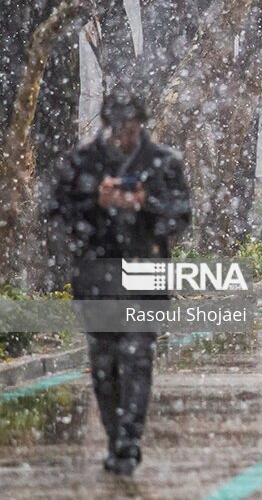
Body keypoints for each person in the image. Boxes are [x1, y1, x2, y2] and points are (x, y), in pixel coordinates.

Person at [51, 91, 192, 477]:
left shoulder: (163, 163)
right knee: (104, 365)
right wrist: (95, 202)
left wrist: (147, 204)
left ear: (141, 126)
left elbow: (180, 218)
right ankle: (115, 438)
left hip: (146, 274)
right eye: (117, 129)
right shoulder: (83, 163)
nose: (123, 137)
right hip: (97, 276)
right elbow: (56, 212)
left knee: (137, 358)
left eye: (130, 129)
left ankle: (129, 443)